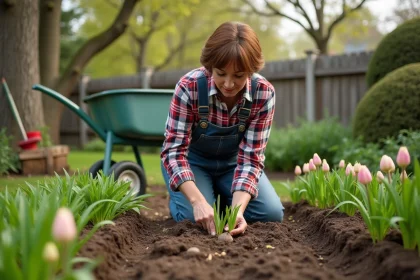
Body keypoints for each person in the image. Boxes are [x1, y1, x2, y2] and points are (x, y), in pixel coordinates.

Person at [160, 21, 284, 237]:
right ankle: (185, 197)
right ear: (210, 66)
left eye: (238, 75)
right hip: (192, 162)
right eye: (220, 73)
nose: (228, 84)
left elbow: (251, 159)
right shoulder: (189, 87)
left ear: (251, 71)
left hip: (233, 165)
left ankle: (221, 197)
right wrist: (198, 201)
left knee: (270, 213)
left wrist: (237, 211)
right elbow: (173, 152)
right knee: (193, 217)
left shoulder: (263, 94)